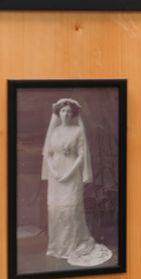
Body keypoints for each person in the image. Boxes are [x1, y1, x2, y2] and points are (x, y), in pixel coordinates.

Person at [42, 98, 112, 267]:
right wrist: (54, 171)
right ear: (58, 113)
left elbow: (81, 156)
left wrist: (67, 174)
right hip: (56, 175)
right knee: (56, 210)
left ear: (73, 114)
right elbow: (48, 153)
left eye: (68, 111)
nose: (65, 114)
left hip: (71, 172)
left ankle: (72, 245)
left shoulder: (77, 131)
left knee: (71, 210)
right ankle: (58, 247)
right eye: (62, 111)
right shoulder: (54, 131)